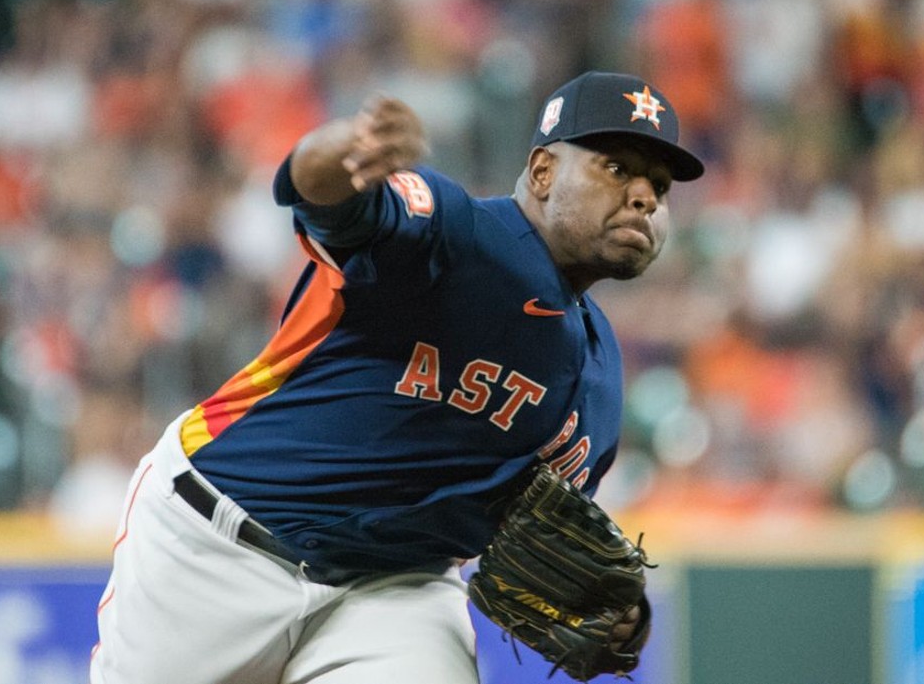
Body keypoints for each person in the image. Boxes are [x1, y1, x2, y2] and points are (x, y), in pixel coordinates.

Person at [89, 71, 705, 684]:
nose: (645, 196)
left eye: (659, 185)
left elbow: (548, 547)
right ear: (542, 171)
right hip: (219, 540)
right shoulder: (453, 232)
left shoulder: (602, 382)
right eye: (617, 169)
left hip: (393, 590)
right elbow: (328, 196)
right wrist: (347, 151)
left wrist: (617, 614)